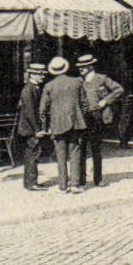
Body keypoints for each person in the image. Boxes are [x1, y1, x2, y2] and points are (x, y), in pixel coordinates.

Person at [40, 56, 90, 192]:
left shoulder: (49, 86)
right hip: (76, 123)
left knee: (60, 155)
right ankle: (75, 184)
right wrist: (81, 116)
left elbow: (42, 109)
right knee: (75, 153)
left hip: (57, 125)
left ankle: (62, 185)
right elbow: (85, 104)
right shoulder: (77, 82)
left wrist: (45, 127)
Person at [77, 54, 124, 187]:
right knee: (81, 148)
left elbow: (119, 89)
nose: (81, 69)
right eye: (80, 67)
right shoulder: (79, 81)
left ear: (90, 66)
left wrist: (105, 101)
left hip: (97, 117)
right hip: (83, 117)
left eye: (83, 67)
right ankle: (81, 179)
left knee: (96, 149)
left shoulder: (101, 79)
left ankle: (98, 178)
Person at [15, 62, 48, 191]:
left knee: (33, 153)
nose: (42, 77)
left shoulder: (33, 88)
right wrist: (37, 130)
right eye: (40, 74)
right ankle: (31, 183)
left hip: (29, 128)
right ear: (32, 74)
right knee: (32, 154)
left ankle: (31, 181)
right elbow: (30, 112)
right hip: (30, 129)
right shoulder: (29, 89)